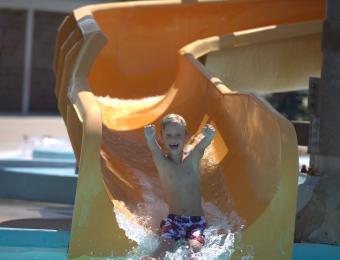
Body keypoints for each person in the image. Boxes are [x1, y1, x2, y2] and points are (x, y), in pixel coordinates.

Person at [142, 113, 216, 259]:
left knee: (195, 247)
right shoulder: (162, 163)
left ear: (185, 136)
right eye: (168, 135)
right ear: (161, 138)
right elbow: (154, 149)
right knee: (165, 244)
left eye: (177, 135)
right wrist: (150, 137)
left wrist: (209, 136)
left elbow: (201, 147)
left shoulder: (192, 159)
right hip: (173, 220)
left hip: (196, 221)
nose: (173, 139)